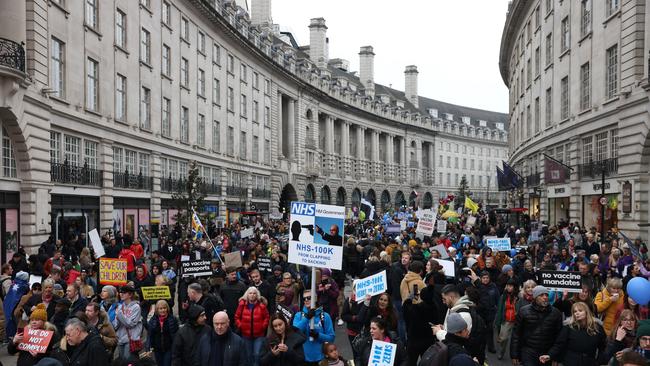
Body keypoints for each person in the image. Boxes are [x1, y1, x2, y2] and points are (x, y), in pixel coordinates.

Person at [510, 285, 563, 366]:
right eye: (541, 295)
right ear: (535, 297)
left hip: (547, 353)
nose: (545, 297)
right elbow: (516, 334)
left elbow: (559, 337)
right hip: (528, 352)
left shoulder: (556, 313)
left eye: (546, 295)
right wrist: (514, 355)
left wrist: (555, 357)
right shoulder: (524, 311)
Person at [293, 289, 335, 365]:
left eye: (309, 297)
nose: (306, 300)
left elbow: (331, 338)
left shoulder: (325, 316)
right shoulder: (298, 315)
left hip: (321, 359)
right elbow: (295, 333)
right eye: (304, 298)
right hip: (303, 359)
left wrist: (318, 335)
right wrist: (307, 318)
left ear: (315, 298)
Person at [234, 287, 269, 366]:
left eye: (254, 293)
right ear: (247, 294)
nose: (252, 295)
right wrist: (240, 326)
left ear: (257, 295)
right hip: (246, 335)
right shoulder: (242, 304)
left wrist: (263, 326)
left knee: (257, 354)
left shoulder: (261, 305)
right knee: (248, 355)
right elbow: (236, 317)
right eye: (250, 293)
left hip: (259, 335)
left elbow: (266, 317)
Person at [112, 285, 143, 361]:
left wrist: (120, 315)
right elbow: (115, 325)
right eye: (120, 292)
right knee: (122, 361)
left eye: (124, 292)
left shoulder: (136, 307)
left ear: (130, 294)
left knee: (128, 361)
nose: (121, 294)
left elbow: (130, 324)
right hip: (120, 339)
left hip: (130, 339)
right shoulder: (120, 307)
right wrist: (117, 319)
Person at [147, 300, 179, 366]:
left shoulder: (173, 319)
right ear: (157, 310)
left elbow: (176, 335)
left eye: (164, 308)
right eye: (160, 308)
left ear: (167, 308)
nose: (163, 310)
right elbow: (150, 335)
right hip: (157, 349)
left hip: (169, 348)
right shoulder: (153, 320)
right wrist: (148, 348)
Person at [495, 279, 519, 360]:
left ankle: (516, 356)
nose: (508, 287)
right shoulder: (503, 296)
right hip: (506, 320)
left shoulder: (519, 296)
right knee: (503, 338)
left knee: (517, 339)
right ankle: (502, 351)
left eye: (511, 286)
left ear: (515, 287)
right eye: (508, 285)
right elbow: (499, 310)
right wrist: (498, 322)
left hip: (517, 321)